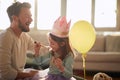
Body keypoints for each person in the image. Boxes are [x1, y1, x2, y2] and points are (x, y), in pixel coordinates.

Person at [0, 1, 41, 80]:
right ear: (15, 18)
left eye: (31, 16)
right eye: (27, 16)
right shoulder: (5, 37)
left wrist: (55, 47)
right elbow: (5, 74)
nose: (31, 20)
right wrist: (28, 74)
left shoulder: (24, 36)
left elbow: (39, 49)